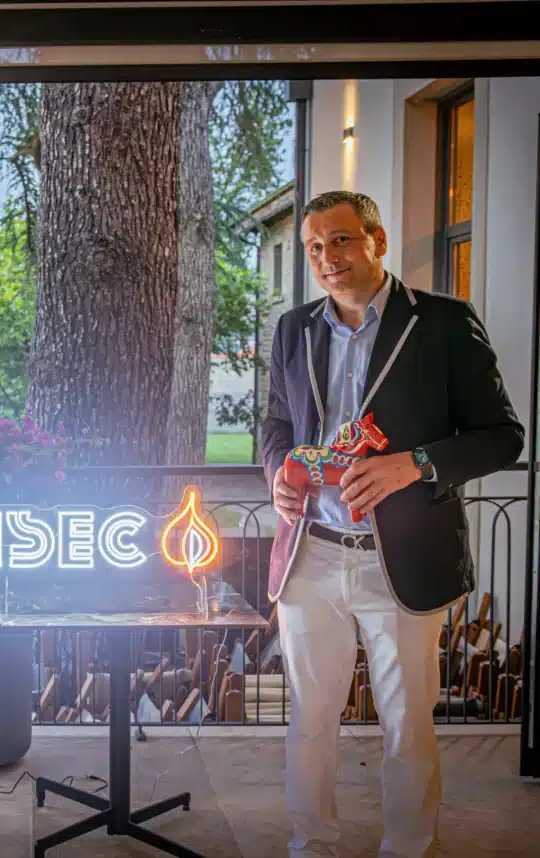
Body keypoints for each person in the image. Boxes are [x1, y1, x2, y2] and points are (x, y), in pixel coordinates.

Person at [260, 190, 523, 858]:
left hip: (402, 558)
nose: (327, 258)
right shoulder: (294, 329)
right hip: (309, 555)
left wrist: (416, 463)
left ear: (376, 238)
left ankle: (408, 849)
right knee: (310, 720)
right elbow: (277, 426)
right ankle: (309, 844)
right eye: (316, 246)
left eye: (341, 240)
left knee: (407, 723)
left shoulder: (442, 322)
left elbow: (501, 437)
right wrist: (276, 476)